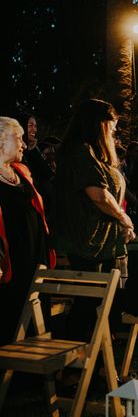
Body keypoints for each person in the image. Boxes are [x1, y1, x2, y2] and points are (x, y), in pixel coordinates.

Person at [54, 99, 135, 339]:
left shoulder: (90, 151)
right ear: (98, 123)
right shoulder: (81, 151)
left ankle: (97, 365)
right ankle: (74, 362)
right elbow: (98, 194)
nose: (114, 129)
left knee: (99, 304)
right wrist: (123, 217)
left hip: (99, 241)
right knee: (89, 303)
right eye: (112, 124)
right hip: (87, 242)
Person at [0, 117, 56, 345]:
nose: (23, 144)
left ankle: (39, 376)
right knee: (11, 316)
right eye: (19, 138)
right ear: (1, 140)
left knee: (37, 310)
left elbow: (49, 188)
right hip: (11, 259)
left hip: (35, 253)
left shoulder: (22, 171)